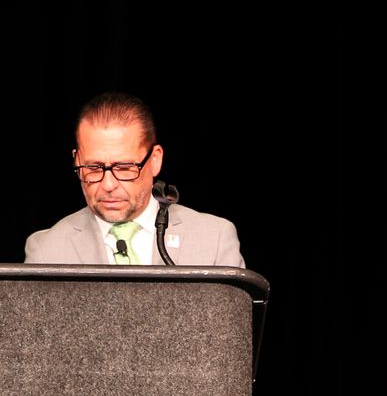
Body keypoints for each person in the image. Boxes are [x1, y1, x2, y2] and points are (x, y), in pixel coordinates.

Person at [23, 92, 245, 267]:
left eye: (125, 167)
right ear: (76, 160)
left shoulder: (214, 240)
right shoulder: (46, 250)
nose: (108, 185)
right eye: (93, 168)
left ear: (155, 160)